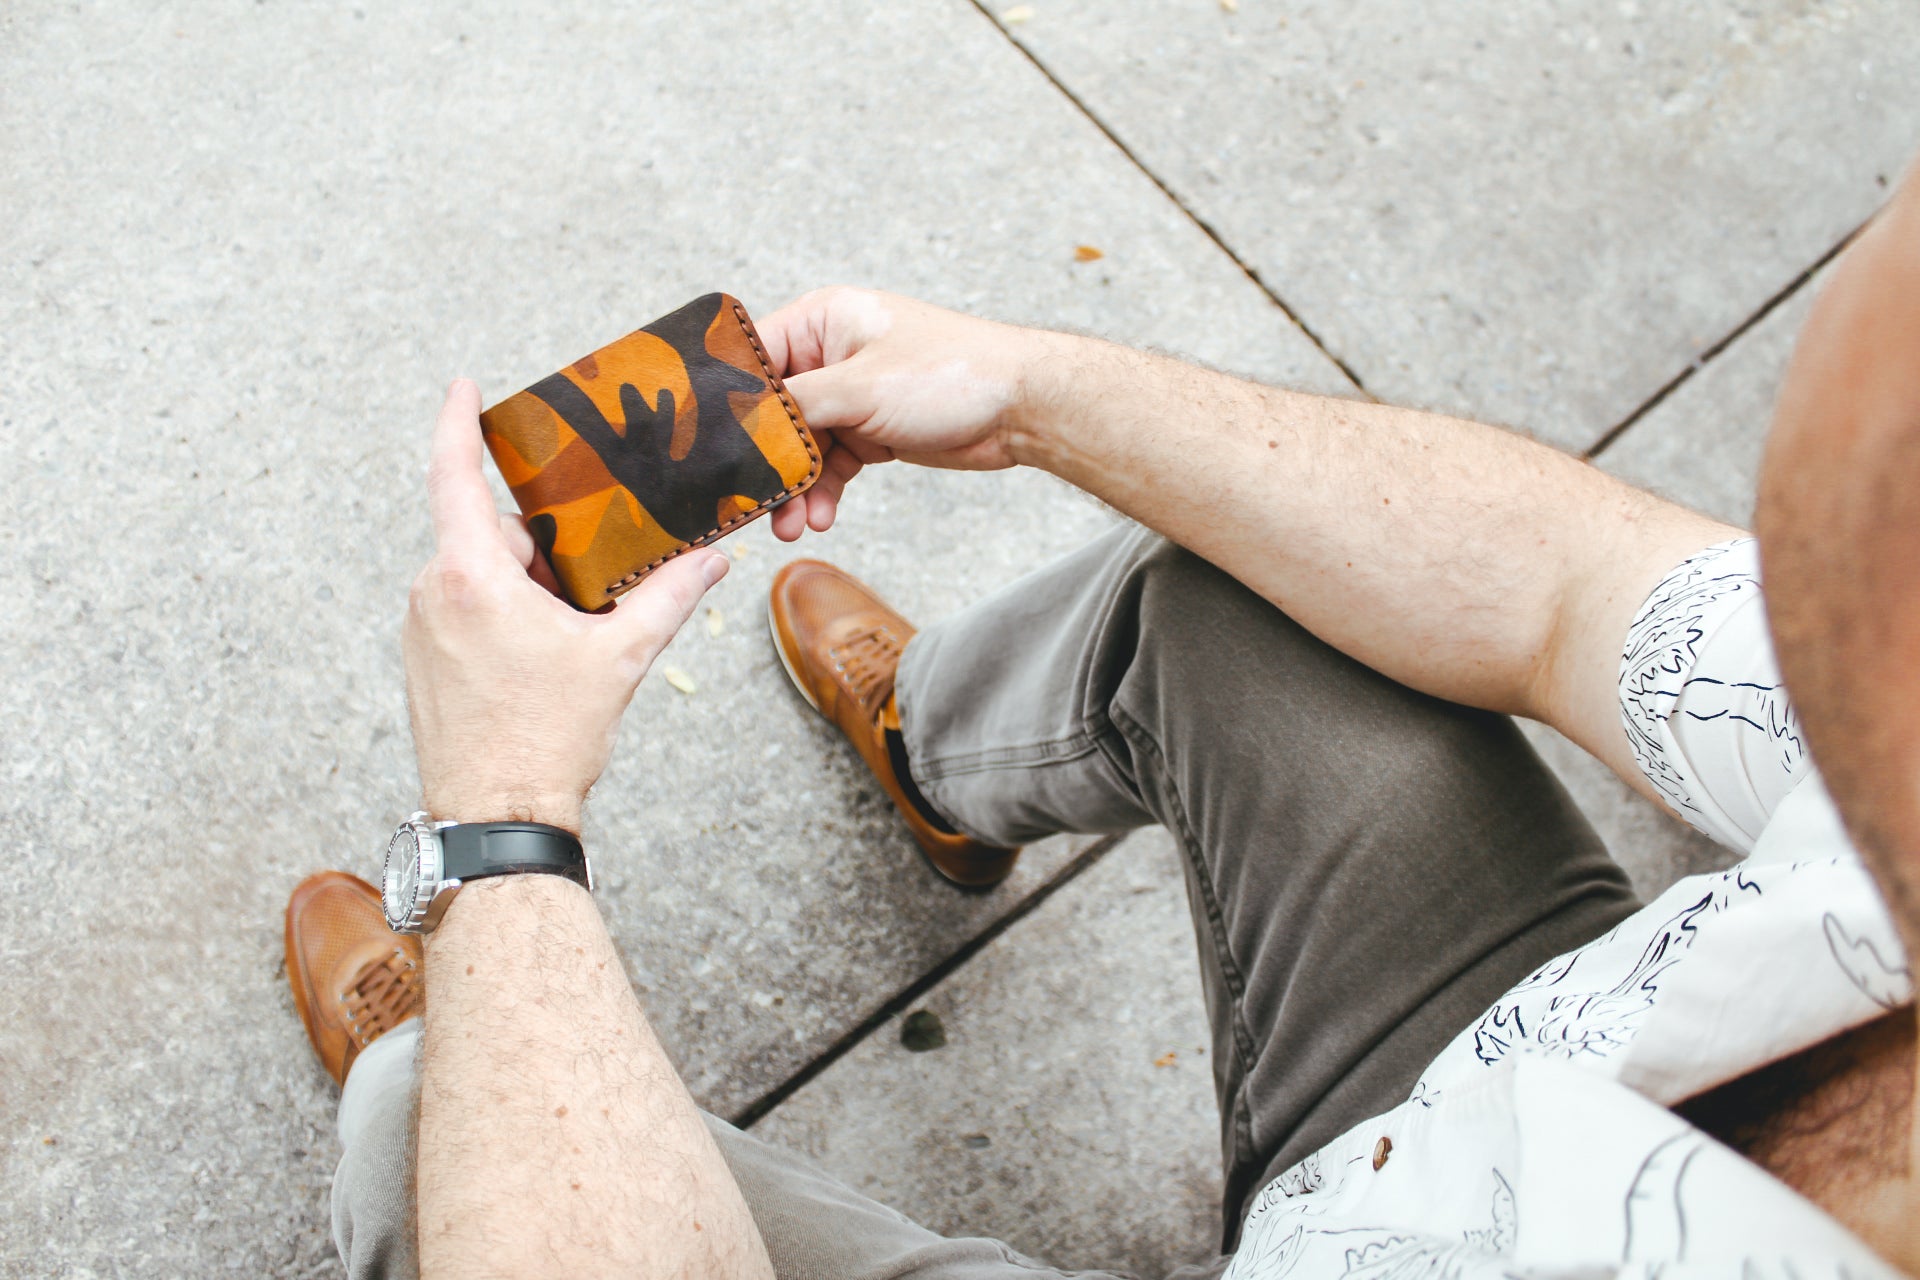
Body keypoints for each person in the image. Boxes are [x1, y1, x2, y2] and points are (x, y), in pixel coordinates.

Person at [281, 162, 1920, 1278]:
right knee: (1236, 595)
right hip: (1522, 1072)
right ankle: (936, 755)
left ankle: (489, 1060)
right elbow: (1570, 587)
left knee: (429, 1124)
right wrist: (1030, 397)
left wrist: (500, 818)